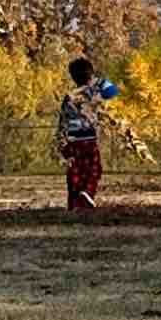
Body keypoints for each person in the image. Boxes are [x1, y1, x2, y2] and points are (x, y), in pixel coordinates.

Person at [55, 55, 133, 211]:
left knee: (75, 172)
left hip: (72, 141)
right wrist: (98, 81)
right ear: (91, 75)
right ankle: (87, 193)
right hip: (89, 139)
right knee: (94, 169)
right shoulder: (94, 93)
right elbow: (113, 91)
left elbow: (62, 121)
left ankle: (74, 204)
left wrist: (62, 145)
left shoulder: (69, 97)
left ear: (73, 77)